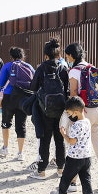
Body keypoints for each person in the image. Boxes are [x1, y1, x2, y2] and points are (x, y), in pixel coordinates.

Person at [64, 42, 98, 192]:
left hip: (83, 112)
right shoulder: (91, 67)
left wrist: (70, 113)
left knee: (76, 145)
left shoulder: (74, 71)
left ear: (72, 56)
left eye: (67, 56)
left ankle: (73, 183)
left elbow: (73, 93)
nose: (67, 58)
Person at [28, 37, 69, 180]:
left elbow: (33, 87)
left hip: (44, 109)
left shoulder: (41, 68)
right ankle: (60, 169)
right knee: (59, 139)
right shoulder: (63, 68)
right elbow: (67, 89)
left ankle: (42, 171)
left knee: (45, 140)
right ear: (58, 54)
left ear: (46, 54)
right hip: (60, 109)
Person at [49, 96, 94, 194]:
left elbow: (72, 141)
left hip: (75, 157)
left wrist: (63, 133)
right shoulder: (87, 122)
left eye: (70, 113)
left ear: (76, 112)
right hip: (87, 156)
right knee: (86, 179)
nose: (69, 116)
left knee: (66, 177)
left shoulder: (76, 125)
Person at [0, 47, 35, 161]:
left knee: (6, 123)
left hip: (9, 97)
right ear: (23, 56)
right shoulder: (29, 66)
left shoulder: (7, 66)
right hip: (23, 97)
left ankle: (5, 147)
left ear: (11, 56)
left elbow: (1, 82)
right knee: (21, 125)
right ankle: (20, 153)